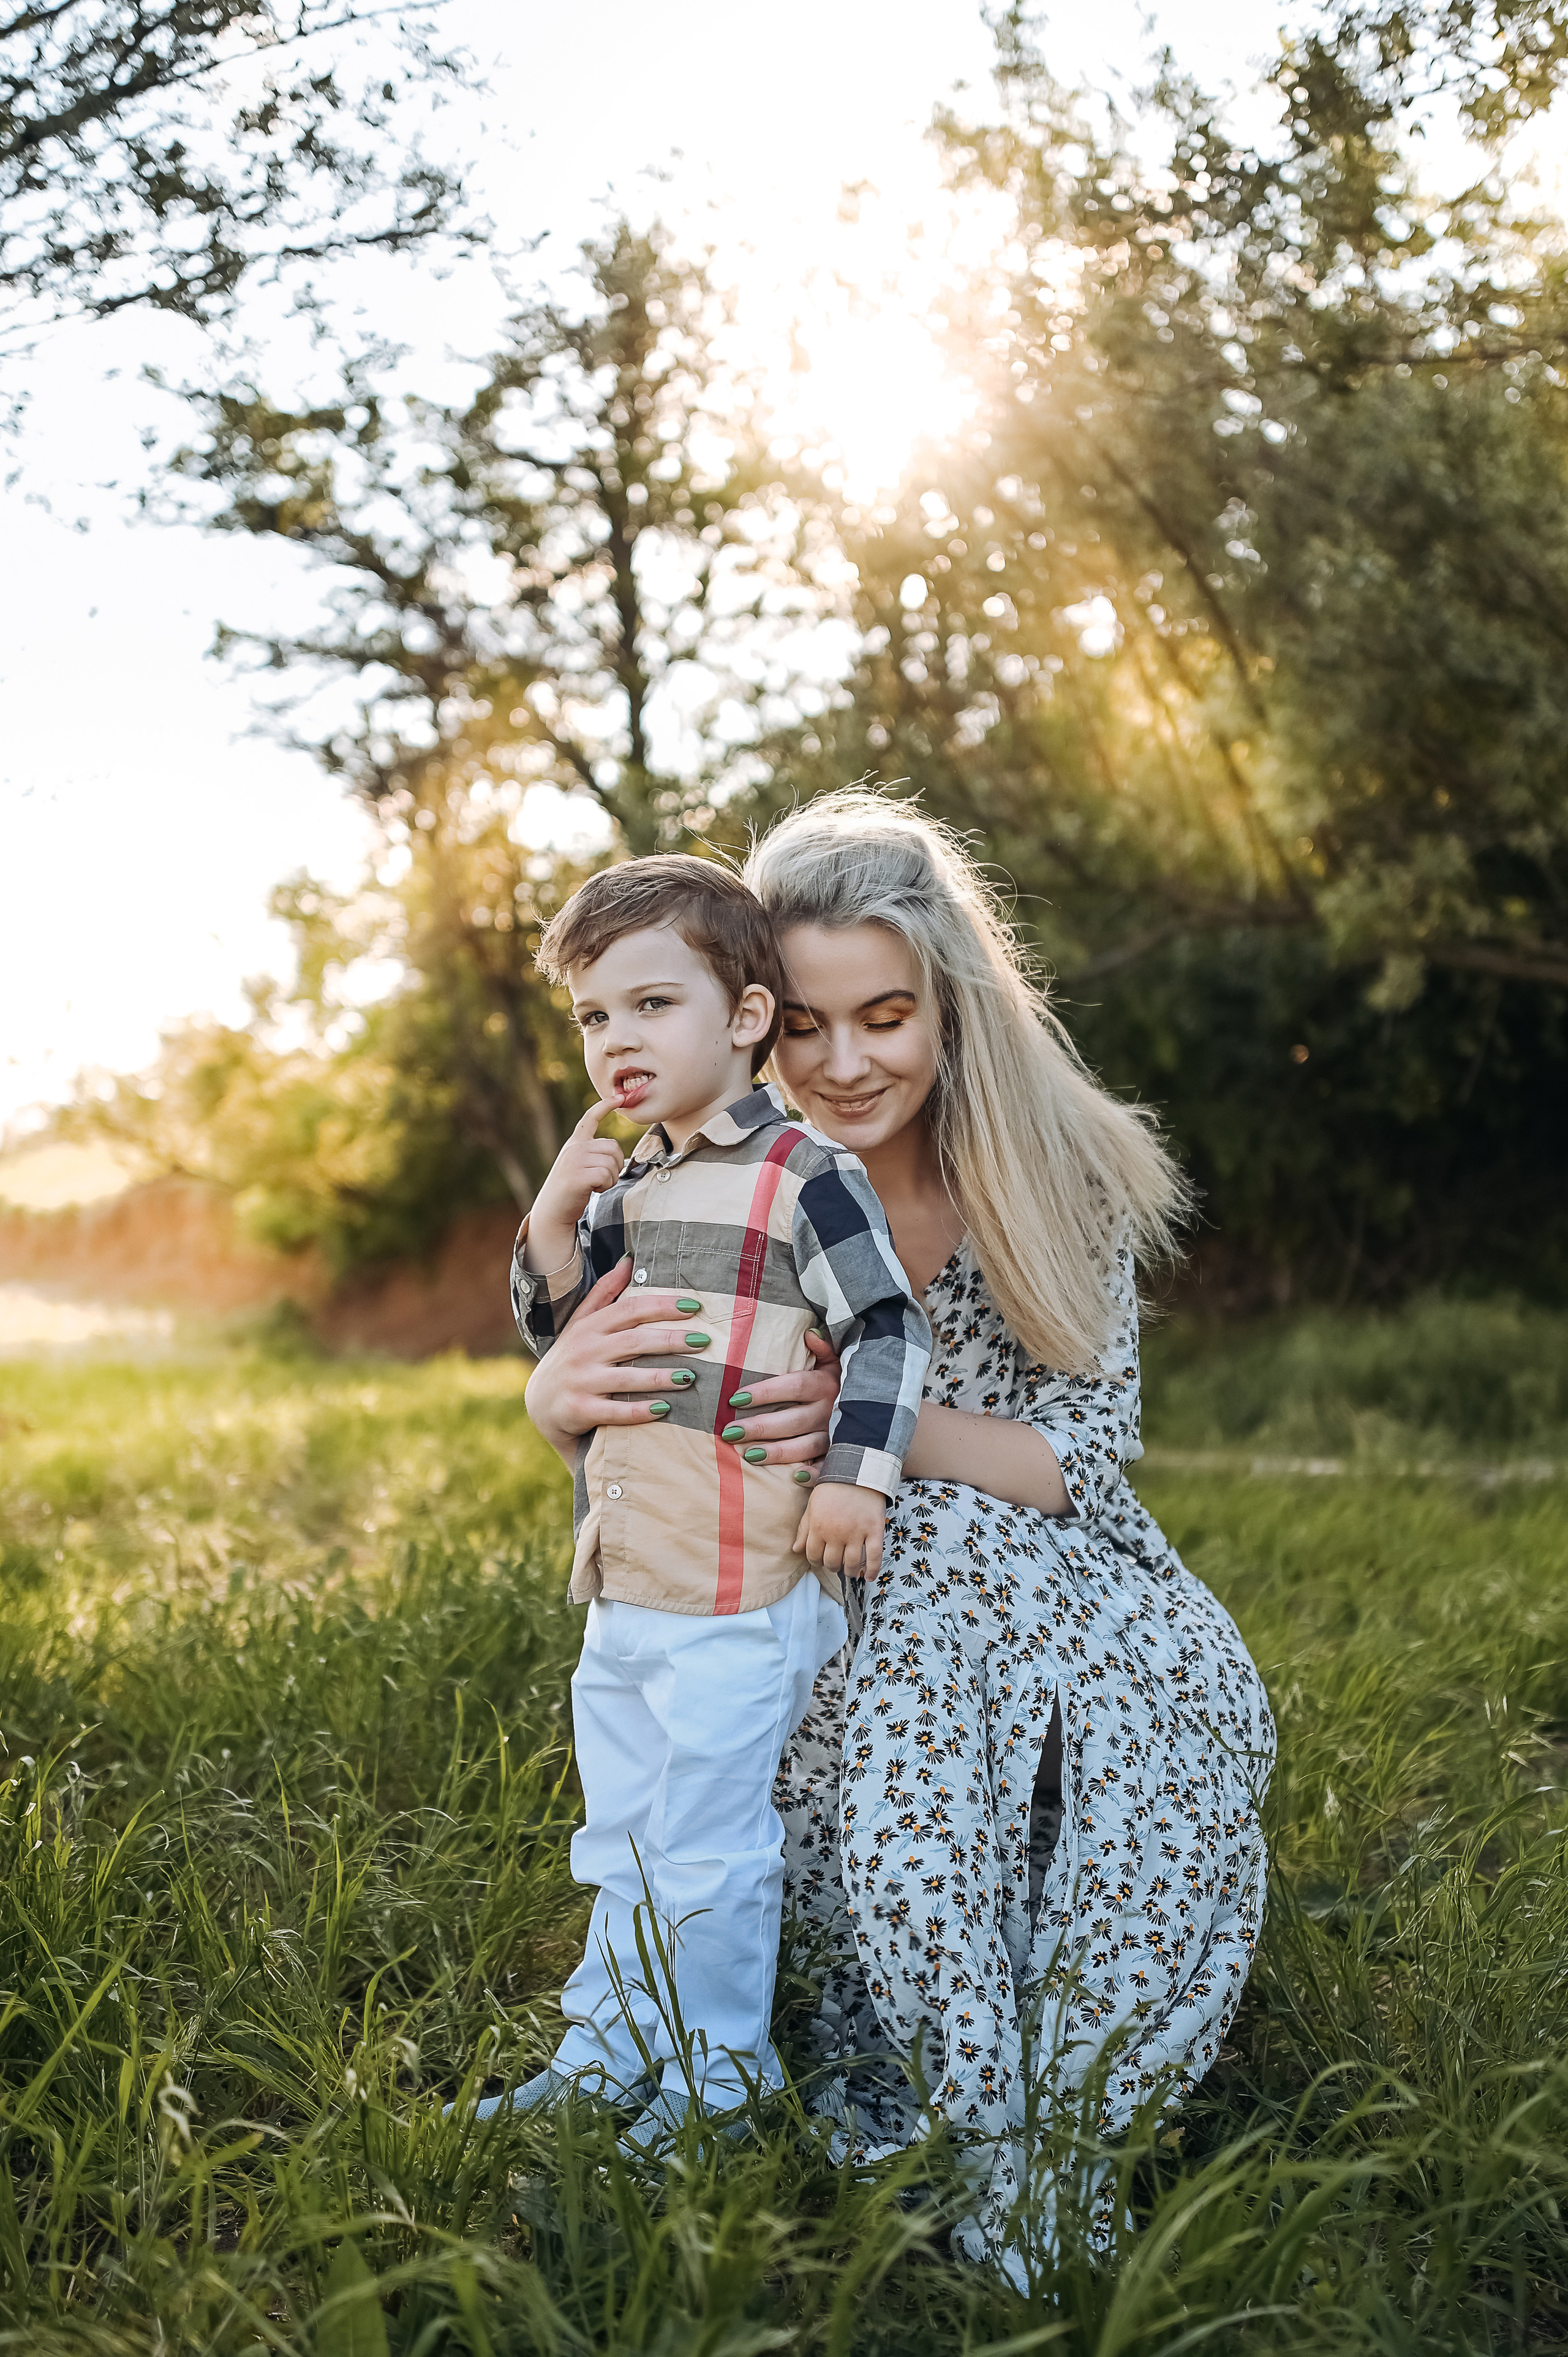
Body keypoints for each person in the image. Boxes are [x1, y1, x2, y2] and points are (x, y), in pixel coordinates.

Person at [522, 794, 1276, 2261]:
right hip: (787, 1581)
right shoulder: (717, 1186)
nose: (846, 1060)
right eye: (806, 1025)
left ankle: (1007, 2072)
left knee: (933, 1549)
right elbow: (639, 1418)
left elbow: (1084, 1462)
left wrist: (878, 1433)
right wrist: (557, 1386)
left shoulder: (1048, 1178)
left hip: (1033, 1574)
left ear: (949, 1008)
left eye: (885, 1015)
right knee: (705, 1762)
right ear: (749, 1021)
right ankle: (689, 2032)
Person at [495, 853, 930, 2143]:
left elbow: (889, 1333)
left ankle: (717, 2081)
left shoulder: (806, 1173)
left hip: (743, 1577)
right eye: (592, 1016)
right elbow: (576, 1351)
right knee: (619, 1831)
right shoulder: (626, 1185)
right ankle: (605, 2043)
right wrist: (548, 1234)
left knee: (705, 1844)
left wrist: (856, 1477)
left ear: (744, 1018)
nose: (615, 1039)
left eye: (650, 1004)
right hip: (626, 1569)